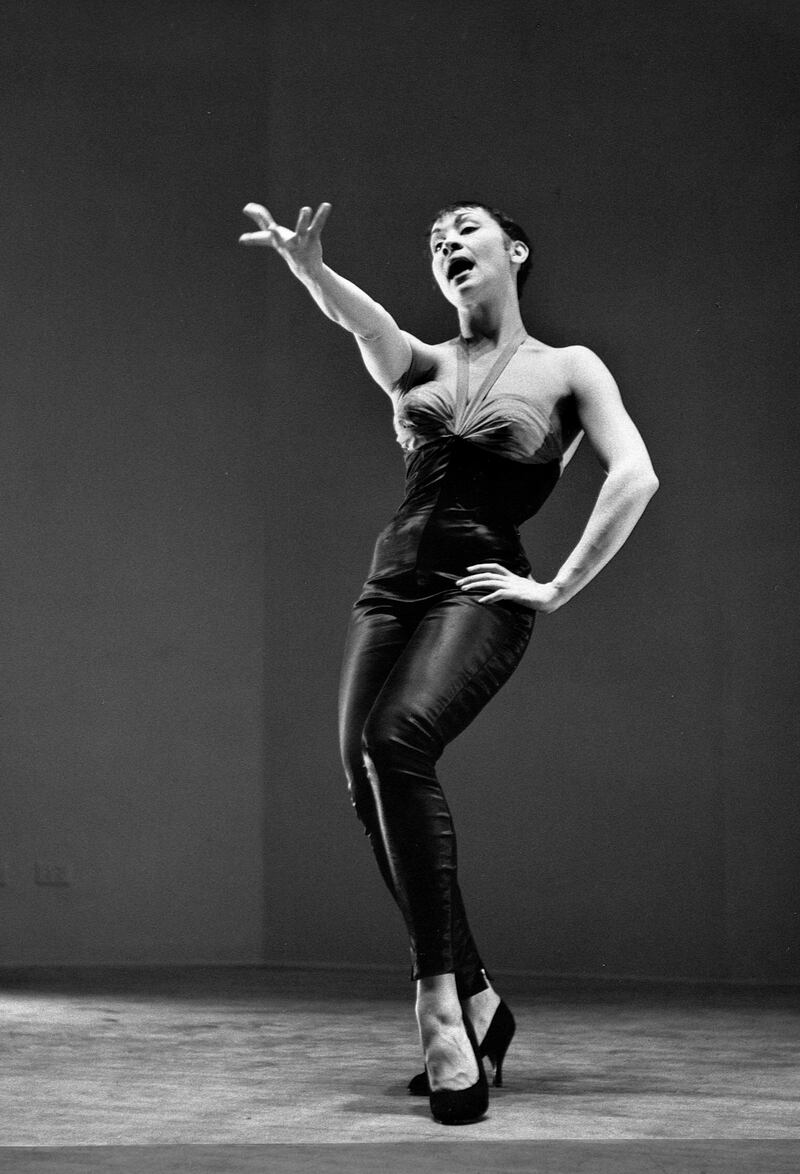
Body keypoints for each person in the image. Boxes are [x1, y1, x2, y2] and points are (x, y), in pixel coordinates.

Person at [239, 199, 658, 1125]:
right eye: (433, 241)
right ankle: (480, 998)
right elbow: (368, 322)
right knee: (364, 774)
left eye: (462, 229)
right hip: (390, 585)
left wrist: (556, 589)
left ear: (514, 248)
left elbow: (633, 473)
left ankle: (437, 1005)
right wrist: (310, 269)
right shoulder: (421, 364)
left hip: (480, 583)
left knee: (397, 742)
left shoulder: (568, 368)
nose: (444, 245)